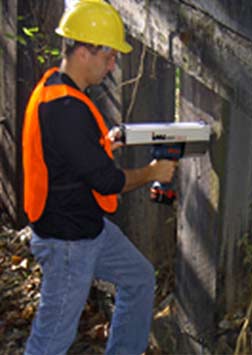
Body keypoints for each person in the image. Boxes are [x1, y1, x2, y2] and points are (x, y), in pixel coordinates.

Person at [21, 1, 176, 354]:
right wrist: (154, 172)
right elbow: (107, 182)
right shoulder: (65, 109)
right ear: (83, 52)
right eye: (108, 56)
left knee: (138, 278)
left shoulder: (57, 88)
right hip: (68, 241)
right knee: (51, 340)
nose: (112, 66)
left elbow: (69, 158)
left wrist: (105, 144)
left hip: (86, 227)